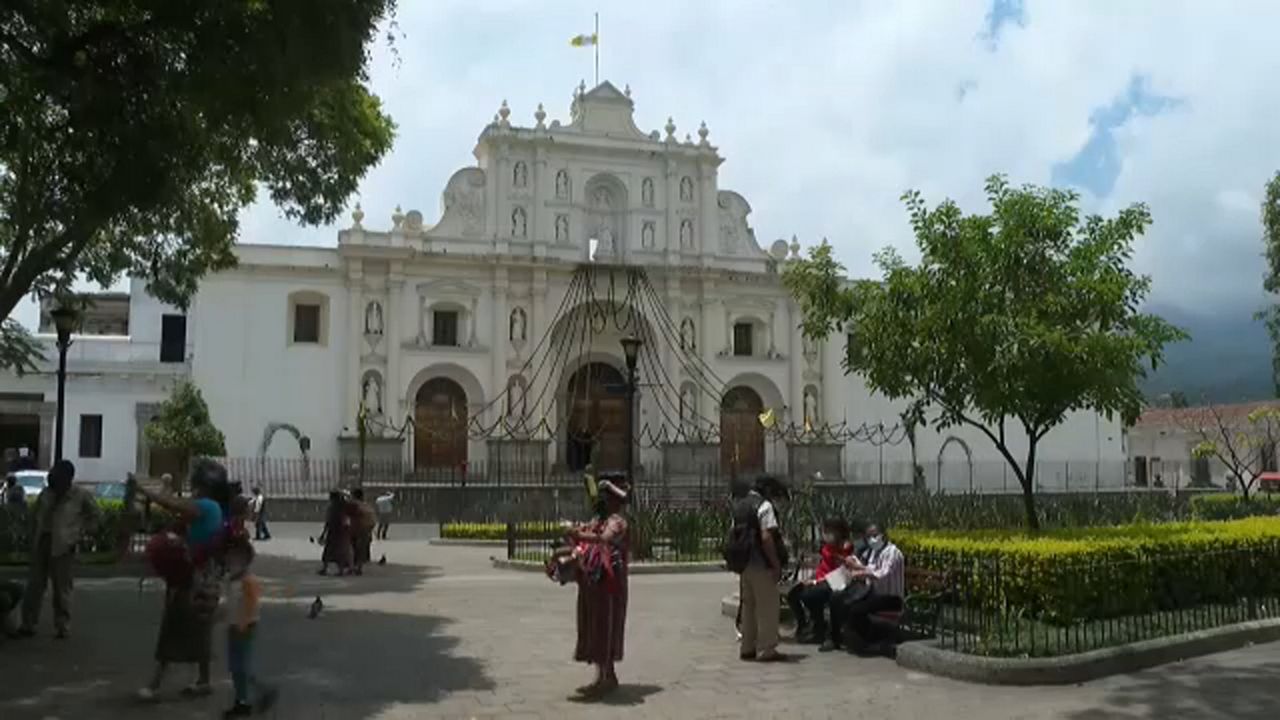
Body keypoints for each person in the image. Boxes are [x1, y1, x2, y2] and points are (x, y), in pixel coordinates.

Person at [133, 460, 234, 700]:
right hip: (203, 574)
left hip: (192, 577)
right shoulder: (214, 507)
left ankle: (155, 684)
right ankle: (203, 680)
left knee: (173, 626)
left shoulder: (206, 506)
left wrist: (143, 489)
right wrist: (165, 486)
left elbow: (171, 504)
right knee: (199, 628)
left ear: (203, 485)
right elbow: (175, 505)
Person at [17, 460, 98, 639]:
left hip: (64, 545)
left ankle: (62, 626)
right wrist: (30, 536)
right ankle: (28, 623)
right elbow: (35, 515)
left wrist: (80, 534)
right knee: (34, 585)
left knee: (62, 588)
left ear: (68, 479)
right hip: (42, 542)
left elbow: (94, 516)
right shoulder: (46, 494)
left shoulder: (80, 495)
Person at [568, 474, 630, 698]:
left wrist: (580, 533)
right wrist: (577, 532)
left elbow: (604, 539)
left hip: (610, 583)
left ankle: (606, 677)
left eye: (606, 497)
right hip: (594, 581)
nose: (601, 502)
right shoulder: (599, 520)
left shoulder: (617, 522)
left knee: (607, 625)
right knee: (594, 624)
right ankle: (604, 675)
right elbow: (590, 532)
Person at [733, 475, 789, 663]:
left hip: (744, 563)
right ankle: (767, 649)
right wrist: (775, 563)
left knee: (749, 606)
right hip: (761, 563)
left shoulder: (740, 505)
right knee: (768, 607)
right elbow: (766, 537)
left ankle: (747, 647)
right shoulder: (764, 506)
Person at [824, 522, 905, 653]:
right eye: (868, 536)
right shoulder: (873, 552)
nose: (871, 539)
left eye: (874, 535)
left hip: (890, 598)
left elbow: (882, 573)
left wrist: (860, 571)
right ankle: (839, 638)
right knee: (840, 600)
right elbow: (869, 567)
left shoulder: (893, 553)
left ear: (883, 535)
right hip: (874, 594)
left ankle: (866, 642)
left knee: (856, 609)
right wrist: (854, 566)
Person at [221, 537, 277, 717]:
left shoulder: (248, 581)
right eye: (229, 558)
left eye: (235, 559)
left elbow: (252, 604)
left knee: (241, 667)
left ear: (245, 561)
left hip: (245, 627)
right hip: (233, 626)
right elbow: (230, 603)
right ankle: (242, 699)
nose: (231, 562)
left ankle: (256, 694)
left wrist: (243, 624)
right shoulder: (231, 580)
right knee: (235, 667)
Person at [787, 517, 853, 643]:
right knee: (793, 594)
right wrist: (811, 579)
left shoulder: (845, 548)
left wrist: (816, 582)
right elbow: (822, 566)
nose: (825, 535)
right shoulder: (827, 547)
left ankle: (819, 629)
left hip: (834, 582)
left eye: (829, 531)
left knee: (809, 596)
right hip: (820, 579)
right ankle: (804, 626)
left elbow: (841, 572)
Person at [318, 490, 353, 576]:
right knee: (340, 551)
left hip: (333, 531)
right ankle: (340, 570)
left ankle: (324, 569)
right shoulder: (344, 507)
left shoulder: (332, 508)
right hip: (342, 532)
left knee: (328, 551)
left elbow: (328, 521)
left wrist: (323, 533)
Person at [349, 488, 376, 575]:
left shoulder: (353, 505)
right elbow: (372, 521)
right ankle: (359, 568)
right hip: (365, 530)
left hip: (354, 530)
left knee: (352, 549)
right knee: (361, 550)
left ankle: (352, 567)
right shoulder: (367, 506)